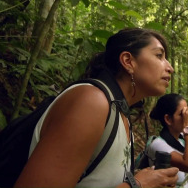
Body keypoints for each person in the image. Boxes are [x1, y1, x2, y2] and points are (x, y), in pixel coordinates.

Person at [14, 28, 179, 188]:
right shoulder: (92, 102)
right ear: (128, 62)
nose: (170, 68)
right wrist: (137, 185)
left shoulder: (120, 114)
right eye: (159, 56)